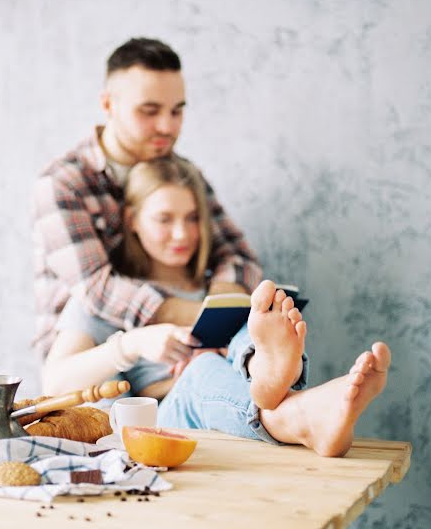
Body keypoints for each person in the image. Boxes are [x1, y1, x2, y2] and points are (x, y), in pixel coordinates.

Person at [43, 157, 391, 457]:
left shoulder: (220, 287)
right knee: (202, 369)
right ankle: (293, 409)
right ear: (132, 219)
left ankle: (261, 368)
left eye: (193, 218)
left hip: (229, 409)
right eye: (164, 219)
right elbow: (54, 382)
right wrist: (132, 345)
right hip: (166, 421)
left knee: (249, 316)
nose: (182, 234)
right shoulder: (109, 297)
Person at [32, 37, 261, 361]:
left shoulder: (180, 172)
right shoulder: (63, 182)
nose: (167, 126)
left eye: (176, 111)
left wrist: (222, 306)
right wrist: (206, 317)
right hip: (88, 361)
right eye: (149, 111)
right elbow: (97, 289)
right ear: (109, 104)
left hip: (180, 351)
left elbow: (239, 258)